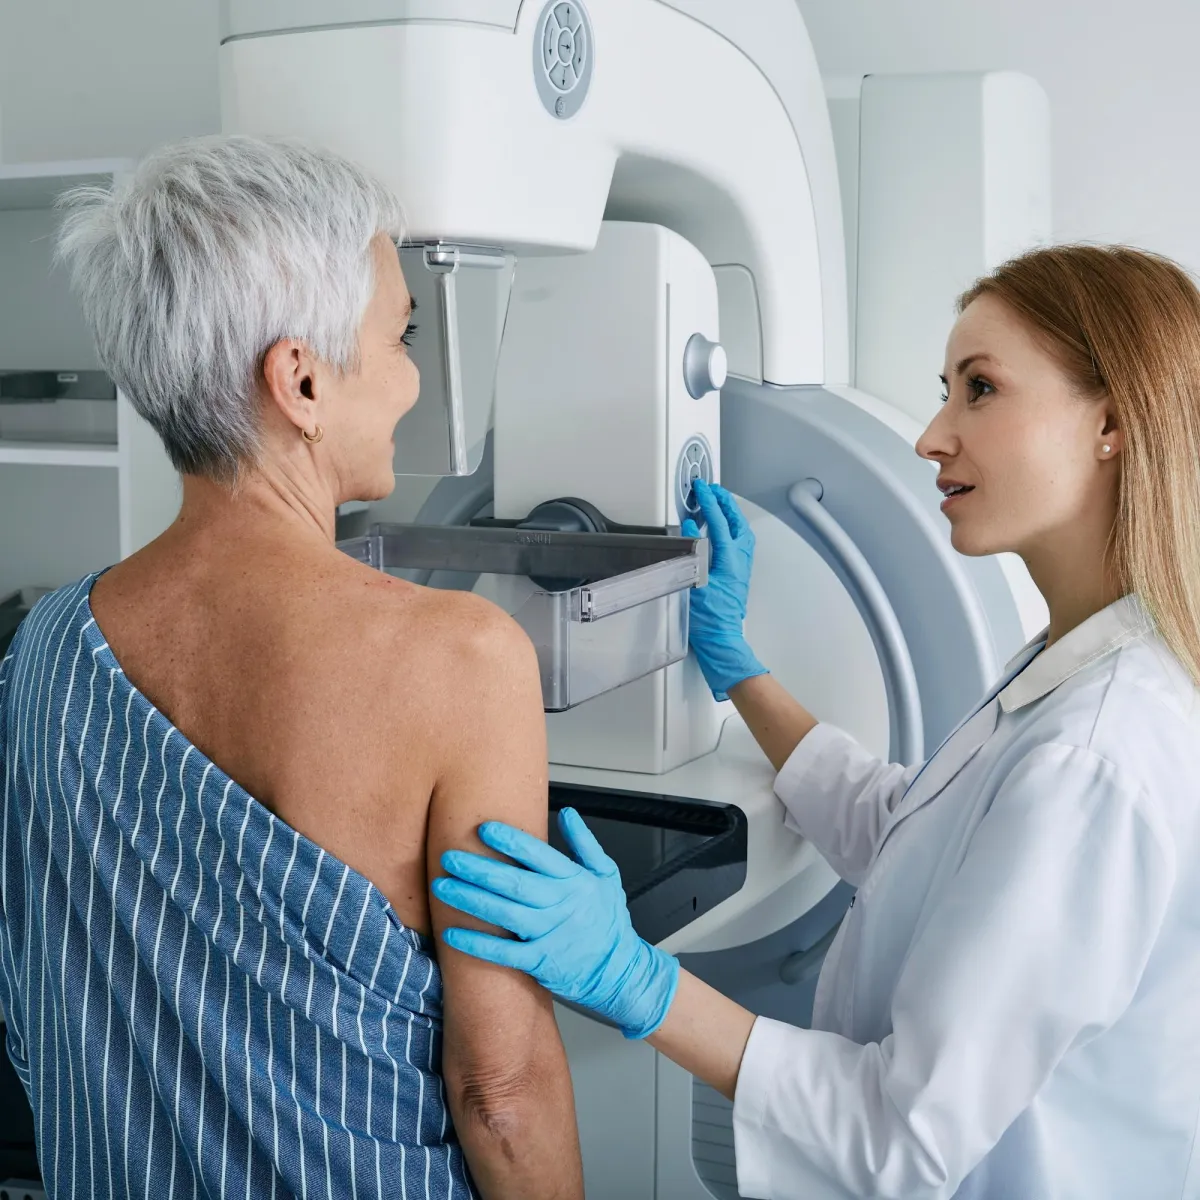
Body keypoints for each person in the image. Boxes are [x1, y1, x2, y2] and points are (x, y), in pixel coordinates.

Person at [434, 244, 1200, 1199]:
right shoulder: (1080, 661)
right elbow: (918, 837)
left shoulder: (1098, 752)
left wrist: (635, 980)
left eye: (981, 389)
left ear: (1112, 424)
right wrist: (739, 665)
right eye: (946, 389)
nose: (931, 434)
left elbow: (899, 1138)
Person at [0, 136, 583, 1200]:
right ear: (301, 379)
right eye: (402, 335)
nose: (412, 376)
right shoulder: (460, 659)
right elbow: (503, 1095)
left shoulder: (45, 649)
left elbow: (35, 1003)